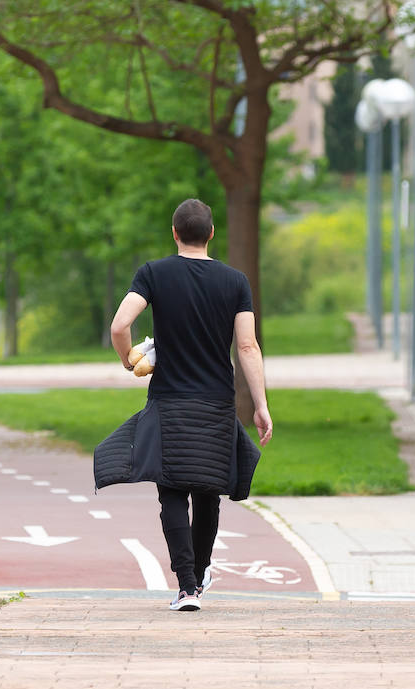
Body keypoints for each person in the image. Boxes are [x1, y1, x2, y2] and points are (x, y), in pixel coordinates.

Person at [95, 198, 273, 612]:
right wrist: (260, 404)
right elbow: (246, 345)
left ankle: (187, 587)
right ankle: (201, 572)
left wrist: (128, 359)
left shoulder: (153, 274)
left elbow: (120, 325)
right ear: (211, 234)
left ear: (175, 233)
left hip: (169, 402)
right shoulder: (235, 282)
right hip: (216, 405)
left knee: (171, 493)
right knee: (208, 493)